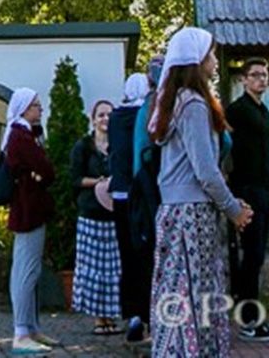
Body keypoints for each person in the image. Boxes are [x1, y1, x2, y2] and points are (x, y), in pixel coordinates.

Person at [149, 26, 252, 358]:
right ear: (196, 60)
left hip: (175, 211)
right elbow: (205, 171)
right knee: (194, 297)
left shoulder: (175, 101)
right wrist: (233, 209)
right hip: (192, 215)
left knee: (176, 294)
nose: (215, 61)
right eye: (210, 54)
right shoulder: (193, 103)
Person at [224, 57, 269, 342]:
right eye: (256, 75)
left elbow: (264, 154)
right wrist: (230, 190)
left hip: (263, 188)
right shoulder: (237, 110)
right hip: (245, 190)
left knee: (257, 255)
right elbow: (223, 146)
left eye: (264, 75)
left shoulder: (263, 111)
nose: (262, 79)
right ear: (244, 79)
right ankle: (248, 319)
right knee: (251, 255)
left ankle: (251, 315)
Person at [3, 88, 58, 355]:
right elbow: (46, 169)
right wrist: (39, 175)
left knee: (30, 270)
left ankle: (32, 327)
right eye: (36, 105)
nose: (40, 109)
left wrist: (39, 174)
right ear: (24, 108)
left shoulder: (27, 135)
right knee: (26, 271)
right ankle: (22, 332)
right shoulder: (21, 136)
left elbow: (43, 171)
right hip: (28, 210)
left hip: (31, 208)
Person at [109, 68, 159, 344]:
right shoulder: (145, 114)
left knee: (126, 257)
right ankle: (149, 313)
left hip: (119, 194)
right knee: (146, 256)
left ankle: (132, 314)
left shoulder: (115, 117)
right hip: (141, 195)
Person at [71, 99, 122, 334]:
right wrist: (99, 182)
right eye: (101, 115)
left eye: (109, 115)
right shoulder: (83, 147)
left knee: (113, 268)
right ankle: (98, 318)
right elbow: (76, 178)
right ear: (93, 119)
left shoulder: (118, 145)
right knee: (93, 269)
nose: (105, 119)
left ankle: (111, 316)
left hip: (113, 214)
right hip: (91, 214)